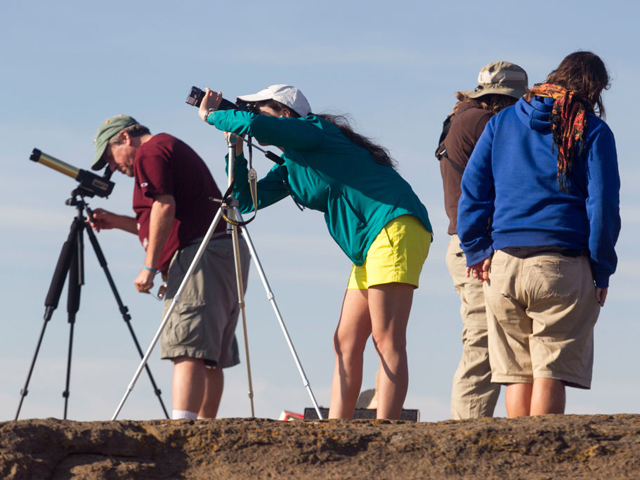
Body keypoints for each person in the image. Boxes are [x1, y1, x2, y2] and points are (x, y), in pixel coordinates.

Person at [197, 85, 432, 419]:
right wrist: (233, 147)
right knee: (345, 341)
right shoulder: (294, 163)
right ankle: (337, 428)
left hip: (394, 225)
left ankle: (388, 428)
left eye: (257, 108)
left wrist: (214, 116)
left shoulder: (315, 131)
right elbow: (246, 200)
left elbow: (258, 126)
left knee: (386, 338)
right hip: (368, 244)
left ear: (285, 112)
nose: (250, 115)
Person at [457, 52, 620, 418]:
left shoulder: (502, 123)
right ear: (592, 90)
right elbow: (603, 204)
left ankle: (517, 462)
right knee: (551, 368)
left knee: (516, 373)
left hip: (503, 263)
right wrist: (601, 266)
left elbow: (474, 189)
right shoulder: (591, 130)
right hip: (562, 262)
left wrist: (476, 249)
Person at [88, 115, 250, 419]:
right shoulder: (166, 147)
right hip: (222, 249)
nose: (112, 167)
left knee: (187, 346)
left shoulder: (149, 152)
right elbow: (169, 216)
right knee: (210, 354)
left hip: (202, 253)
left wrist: (148, 268)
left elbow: (164, 206)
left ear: (124, 137)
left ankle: (184, 434)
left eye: (109, 156)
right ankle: (205, 430)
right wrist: (116, 222)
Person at [438, 61, 528, 419]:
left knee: (485, 341)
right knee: (483, 343)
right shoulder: (484, 122)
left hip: (467, 243)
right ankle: (466, 434)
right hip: (476, 245)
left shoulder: (462, 118)